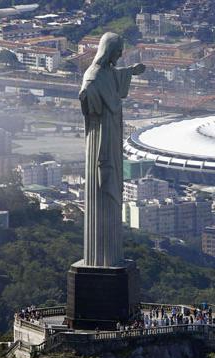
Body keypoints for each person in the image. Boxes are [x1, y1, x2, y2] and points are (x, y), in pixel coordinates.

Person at [79, 32, 145, 267]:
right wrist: (86, 95)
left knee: (112, 182)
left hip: (112, 133)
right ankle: (100, 261)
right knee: (102, 182)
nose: (119, 57)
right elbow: (88, 94)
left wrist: (131, 72)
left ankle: (109, 258)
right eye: (117, 53)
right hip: (101, 138)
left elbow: (114, 77)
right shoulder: (93, 76)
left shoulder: (106, 72)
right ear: (108, 51)